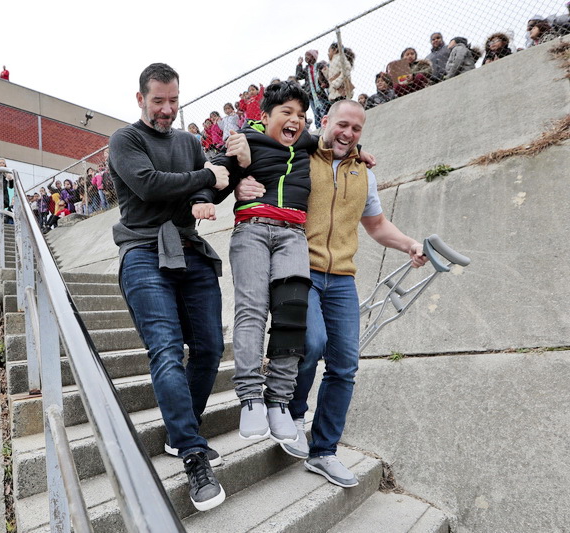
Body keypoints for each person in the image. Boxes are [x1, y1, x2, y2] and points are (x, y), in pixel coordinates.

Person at [233, 100, 426, 489]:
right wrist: (240, 184)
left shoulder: (363, 174)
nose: (348, 134)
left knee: (345, 366)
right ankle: (291, 408)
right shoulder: (302, 153)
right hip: (300, 265)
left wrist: (408, 244)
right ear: (325, 123)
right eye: (342, 125)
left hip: (341, 278)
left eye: (356, 129)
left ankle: (324, 452)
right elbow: (267, 156)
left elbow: (375, 224)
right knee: (312, 341)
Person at [107, 62, 230, 512]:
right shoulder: (126, 139)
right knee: (165, 349)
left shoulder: (189, 141)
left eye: (174, 100)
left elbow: (212, 189)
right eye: (158, 101)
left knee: (212, 347)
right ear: (140, 99)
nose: (167, 109)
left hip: (190, 248)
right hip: (143, 252)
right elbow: (148, 186)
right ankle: (194, 456)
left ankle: (184, 432)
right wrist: (206, 178)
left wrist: (214, 188)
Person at [189, 81, 318, 445]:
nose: (295, 121)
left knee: (292, 313)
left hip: (293, 233)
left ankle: (278, 400)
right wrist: (203, 199)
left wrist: (359, 154)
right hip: (253, 230)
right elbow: (218, 172)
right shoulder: (245, 139)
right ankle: (249, 397)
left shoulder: (305, 142)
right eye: (287, 114)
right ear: (264, 117)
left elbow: (335, 141)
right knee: (252, 310)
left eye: (301, 116)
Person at [296, 50, 329, 129]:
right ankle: (318, 128)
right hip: (311, 94)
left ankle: (327, 126)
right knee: (316, 112)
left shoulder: (319, 66)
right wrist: (299, 64)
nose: (306, 57)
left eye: (308, 55)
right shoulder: (306, 69)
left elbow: (326, 75)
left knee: (323, 110)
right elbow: (298, 76)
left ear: (313, 57)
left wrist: (325, 83)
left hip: (321, 93)